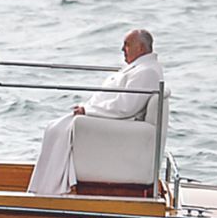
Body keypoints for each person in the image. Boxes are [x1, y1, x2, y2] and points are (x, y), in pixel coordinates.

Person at [26, 28, 163, 195]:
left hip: (115, 121)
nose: (122, 49)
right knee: (55, 128)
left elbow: (125, 106)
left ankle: (50, 190)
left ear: (141, 48)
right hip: (104, 117)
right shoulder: (140, 68)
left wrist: (88, 110)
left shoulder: (147, 72)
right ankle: (47, 187)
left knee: (59, 128)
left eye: (126, 45)